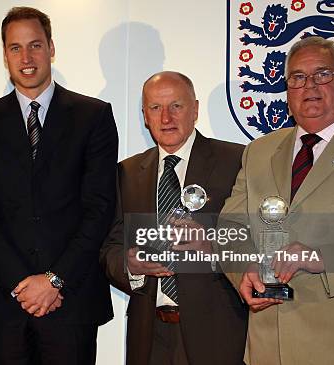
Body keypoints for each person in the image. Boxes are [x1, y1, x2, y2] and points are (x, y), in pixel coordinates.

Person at [0, 6, 117, 365]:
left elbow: (99, 208)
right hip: (6, 305)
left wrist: (54, 280)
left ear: (51, 48)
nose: (26, 57)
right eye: (15, 48)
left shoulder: (93, 116)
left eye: (34, 45)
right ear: (5, 55)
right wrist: (22, 284)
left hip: (72, 302)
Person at [219, 36, 334, 364]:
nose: (309, 86)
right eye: (298, 78)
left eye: (322, 74)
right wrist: (243, 268)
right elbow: (229, 228)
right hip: (266, 347)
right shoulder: (258, 152)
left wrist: (324, 255)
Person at [100, 71, 247, 365]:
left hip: (216, 332)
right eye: (155, 108)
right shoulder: (126, 173)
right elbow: (109, 249)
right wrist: (129, 265)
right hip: (149, 334)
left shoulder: (236, 160)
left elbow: (254, 239)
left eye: (176, 106)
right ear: (145, 116)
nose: (166, 117)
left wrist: (212, 246)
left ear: (195, 109)